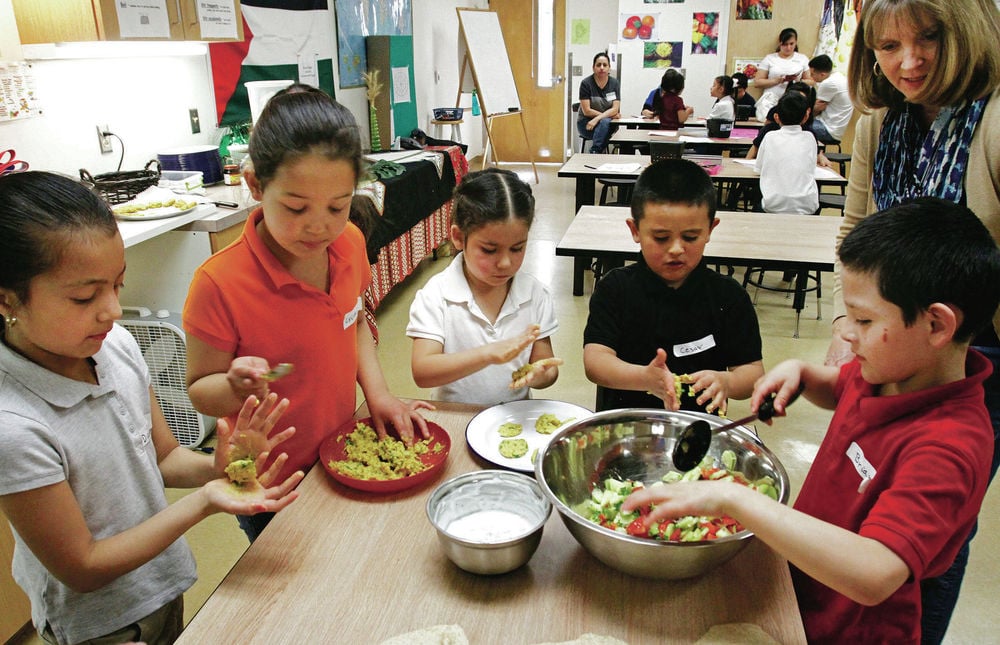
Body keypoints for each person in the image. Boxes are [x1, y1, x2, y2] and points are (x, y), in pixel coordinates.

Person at [625, 198, 1000, 644]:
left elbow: (875, 573)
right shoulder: (891, 371)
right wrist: (805, 374)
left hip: (851, 630)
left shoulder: (948, 446)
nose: (845, 332)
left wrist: (736, 499)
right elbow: (841, 386)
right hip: (800, 592)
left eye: (862, 319)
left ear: (937, 326)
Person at [0, 171, 303, 645]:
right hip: (102, 623)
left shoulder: (115, 346)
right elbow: (82, 566)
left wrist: (218, 470)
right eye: (85, 296)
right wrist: (206, 502)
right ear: (7, 299)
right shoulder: (13, 426)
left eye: (118, 285)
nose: (113, 311)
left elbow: (161, 456)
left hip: (159, 581)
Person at [183, 85, 431, 542]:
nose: (319, 226)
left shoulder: (350, 242)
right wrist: (234, 387)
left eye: (337, 206)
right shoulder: (219, 284)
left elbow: (352, 321)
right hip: (269, 478)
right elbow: (201, 391)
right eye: (296, 208)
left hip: (341, 454)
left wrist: (378, 395)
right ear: (256, 184)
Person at [825, 2, 1000, 641]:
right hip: (897, 337)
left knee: (932, 528)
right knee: (862, 494)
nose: (908, 62)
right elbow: (856, 226)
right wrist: (852, 328)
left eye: (927, 39)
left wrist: (941, 334)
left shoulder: (993, 121)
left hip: (966, 348)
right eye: (888, 46)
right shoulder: (880, 122)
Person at [582, 158, 763, 414]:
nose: (676, 249)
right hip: (627, 424)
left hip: (697, 429)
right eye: (661, 237)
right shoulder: (615, 288)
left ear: (711, 229)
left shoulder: (728, 296)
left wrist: (728, 381)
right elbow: (595, 362)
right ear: (635, 230)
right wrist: (645, 378)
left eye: (690, 237)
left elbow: (752, 372)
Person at [407, 168, 560, 405]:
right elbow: (423, 371)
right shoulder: (436, 295)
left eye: (517, 248)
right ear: (458, 237)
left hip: (511, 419)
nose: (505, 263)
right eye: (489, 250)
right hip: (455, 417)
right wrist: (487, 354)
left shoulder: (534, 294)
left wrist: (540, 374)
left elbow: (546, 365)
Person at [755, 92, 819, 214]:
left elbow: (758, 169)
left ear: (776, 117)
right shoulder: (810, 137)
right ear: (806, 116)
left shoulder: (769, 137)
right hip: (807, 206)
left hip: (772, 206)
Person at [753, 27, 812, 122]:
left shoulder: (802, 59)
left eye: (791, 44)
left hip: (794, 102)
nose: (788, 47)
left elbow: (811, 81)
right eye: (785, 44)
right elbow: (757, 82)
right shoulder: (770, 58)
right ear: (780, 43)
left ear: (796, 42)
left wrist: (798, 81)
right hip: (771, 101)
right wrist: (776, 81)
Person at [577, 52, 621, 153]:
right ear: (593, 67)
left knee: (605, 123)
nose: (602, 68)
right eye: (598, 65)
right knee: (605, 124)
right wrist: (607, 116)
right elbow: (587, 111)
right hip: (587, 124)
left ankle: (595, 152)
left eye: (605, 65)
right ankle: (596, 153)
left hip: (607, 124)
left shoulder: (614, 83)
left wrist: (597, 118)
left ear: (609, 68)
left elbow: (615, 108)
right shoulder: (586, 83)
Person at [807, 54, 854, 145]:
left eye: (812, 74)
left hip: (828, 130)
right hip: (836, 130)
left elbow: (817, 109)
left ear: (822, 74)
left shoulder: (828, 83)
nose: (811, 77)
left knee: (795, 126)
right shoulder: (839, 77)